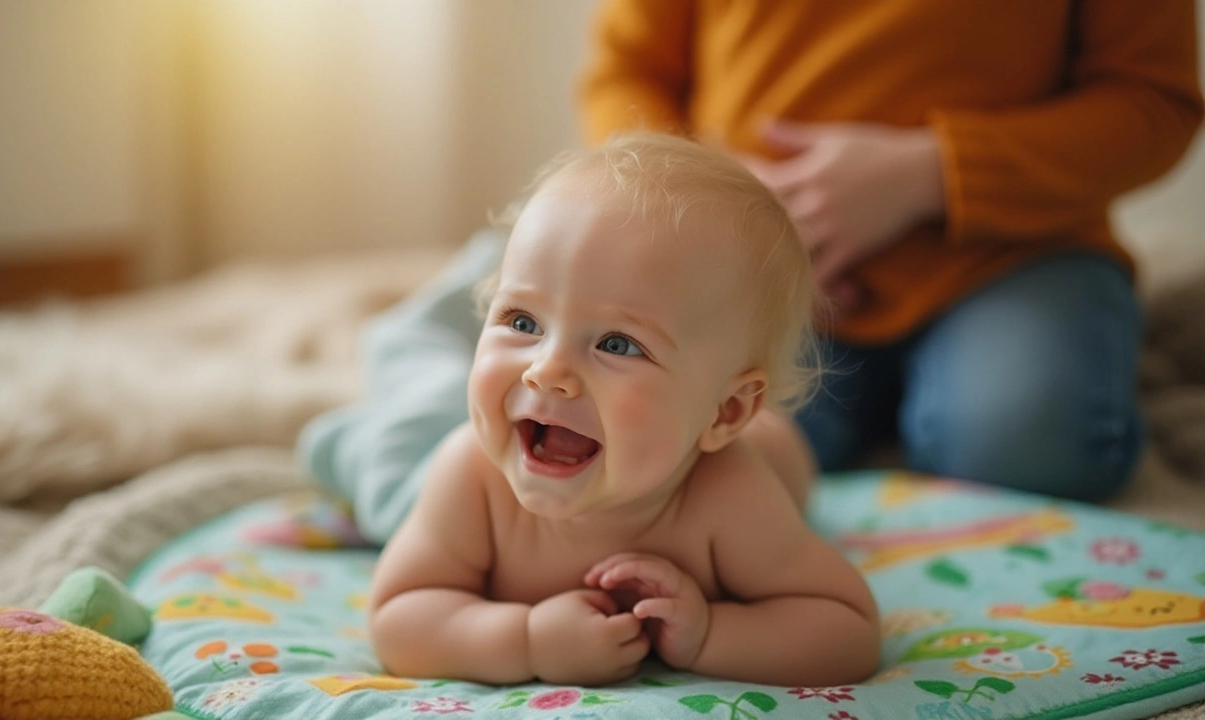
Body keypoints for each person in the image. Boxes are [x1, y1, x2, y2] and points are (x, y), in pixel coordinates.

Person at [579, 0, 1203, 501]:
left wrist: (931, 173)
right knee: (673, 451)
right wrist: (727, 203)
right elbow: (626, 75)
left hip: (1014, 252)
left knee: (1030, 446)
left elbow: (1153, 101)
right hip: (759, 263)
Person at [365, 133, 879, 687]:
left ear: (724, 413)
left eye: (617, 344)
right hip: (483, 435)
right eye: (522, 322)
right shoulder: (471, 476)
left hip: (772, 451)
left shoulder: (727, 494)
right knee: (398, 450)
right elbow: (399, 617)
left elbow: (846, 631)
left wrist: (710, 634)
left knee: (781, 448)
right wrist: (528, 640)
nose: (547, 371)